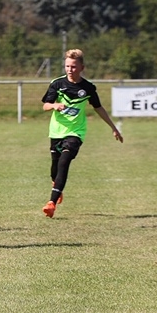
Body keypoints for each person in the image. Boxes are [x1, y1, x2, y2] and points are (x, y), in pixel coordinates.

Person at [40, 49, 123, 218]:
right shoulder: (57, 84)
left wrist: (113, 127)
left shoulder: (88, 87)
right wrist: (55, 105)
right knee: (55, 167)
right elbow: (45, 105)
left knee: (64, 162)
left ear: (82, 67)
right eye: (67, 66)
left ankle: (51, 203)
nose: (70, 69)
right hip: (57, 131)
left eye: (73, 66)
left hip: (76, 132)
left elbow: (98, 107)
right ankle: (57, 186)